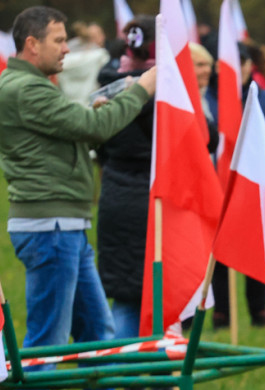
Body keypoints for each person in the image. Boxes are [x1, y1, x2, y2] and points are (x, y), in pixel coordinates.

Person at [0, 6, 171, 390]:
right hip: (50, 228)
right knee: (46, 342)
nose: (67, 48)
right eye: (57, 40)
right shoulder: (24, 89)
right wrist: (144, 88)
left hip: (66, 226)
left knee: (97, 331)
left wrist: (98, 111)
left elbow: (78, 131)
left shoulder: (31, 88)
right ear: (31, 45)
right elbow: (95, 128)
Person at [211, 40, 265, 330]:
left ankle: (258, 311)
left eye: (243, 64)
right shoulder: (210, 100)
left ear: (249, 66)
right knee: (219, 247)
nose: (238, 70)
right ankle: (222, 313)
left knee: (256, 245)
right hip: (219, 184)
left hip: (256, 185)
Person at [95, 16, 158, 351]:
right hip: (157, 196)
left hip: (116, 195)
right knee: (159, 296)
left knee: (124, 296)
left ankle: (124, 375)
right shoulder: (168, 90)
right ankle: (163, 377)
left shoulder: (106, 85)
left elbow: (100, 144)